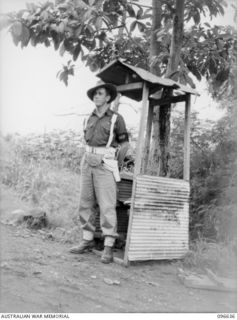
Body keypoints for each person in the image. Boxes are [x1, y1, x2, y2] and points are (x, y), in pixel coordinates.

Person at [70, 80, 130, 263]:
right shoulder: (88, 118)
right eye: (95, 94)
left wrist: (114, 163)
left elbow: (125, 144)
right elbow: (86, 141)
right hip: (87, 162)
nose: (97, 96)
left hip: (105, 164)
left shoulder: (115, 118)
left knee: (107, 205)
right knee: (85, 202)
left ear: (109, 98)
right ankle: (87, 241)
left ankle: (109, 247)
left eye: (100, 93)